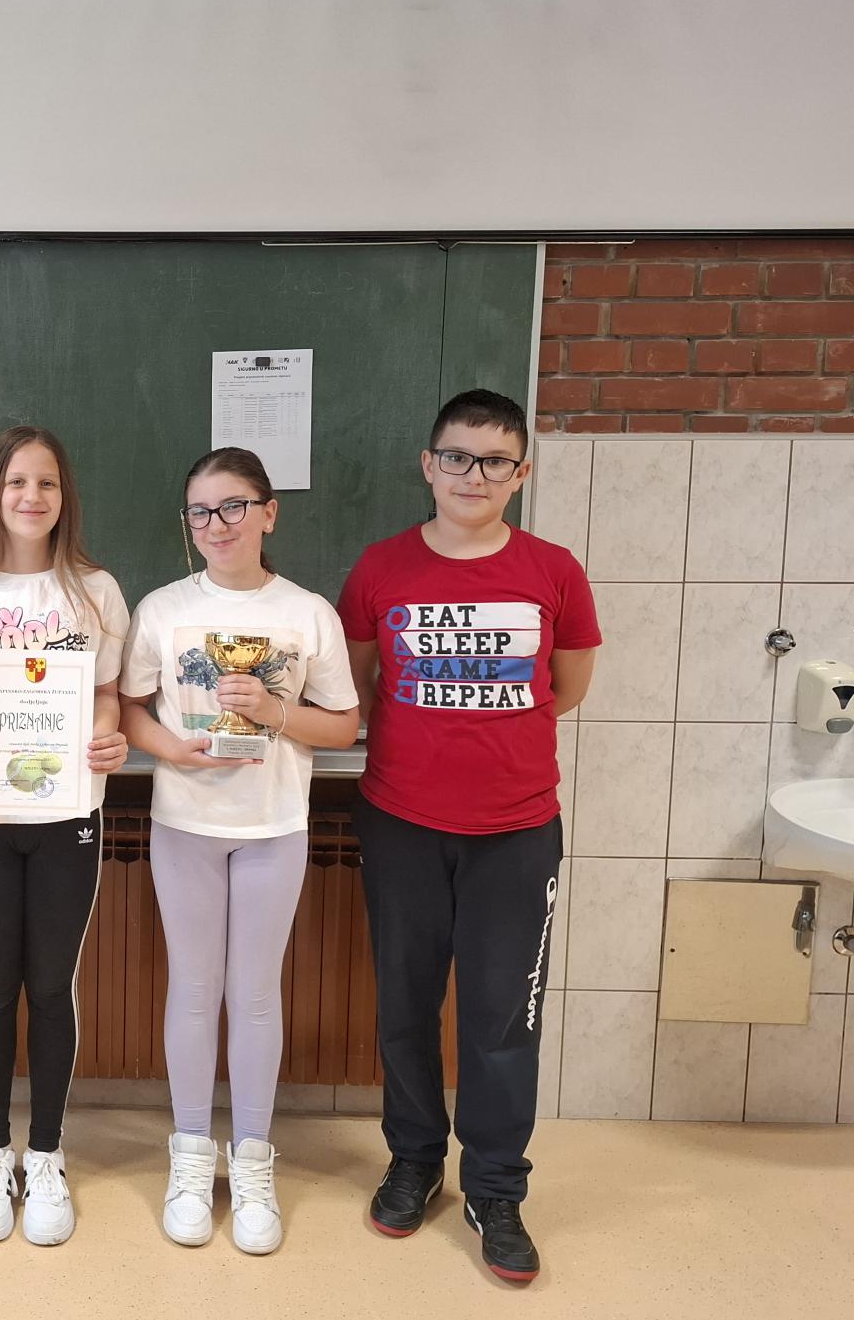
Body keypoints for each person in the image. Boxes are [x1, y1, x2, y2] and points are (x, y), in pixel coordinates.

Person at [336, 388, 600, 1284]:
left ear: (520, 473)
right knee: (405, 1006)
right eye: (457, 456)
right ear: (428, 464)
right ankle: (414, 1160)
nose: (473, 475)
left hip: (516, 832)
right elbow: (361, 686)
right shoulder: (380, 569)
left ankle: (495, 1188)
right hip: (401, 823)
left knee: (503, 1017)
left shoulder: (554, 570)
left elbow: (566, 687)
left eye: (494, 461)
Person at [119, 447, 359, 1255]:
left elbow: (345, 726)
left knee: (255, 994)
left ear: (268, 512)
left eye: (233, 507)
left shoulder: (307, 613)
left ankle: (252, 1158)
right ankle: (192, 1155)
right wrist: (172, 749)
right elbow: (128, 708)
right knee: (193, 989)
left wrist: (272, 709)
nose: (216, 524)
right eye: (200, 511)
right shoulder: (162, 608)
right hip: (185, 825)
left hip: (273, 826)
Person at [0, 426, 131, 1246]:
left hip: (68, 814)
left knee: (51, 984)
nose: (32, 496)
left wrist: (108, 734)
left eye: (47, 481)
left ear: (64, 494)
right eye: (16, 481)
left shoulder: (96, 591)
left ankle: (45, 1154)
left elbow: (108, 695)